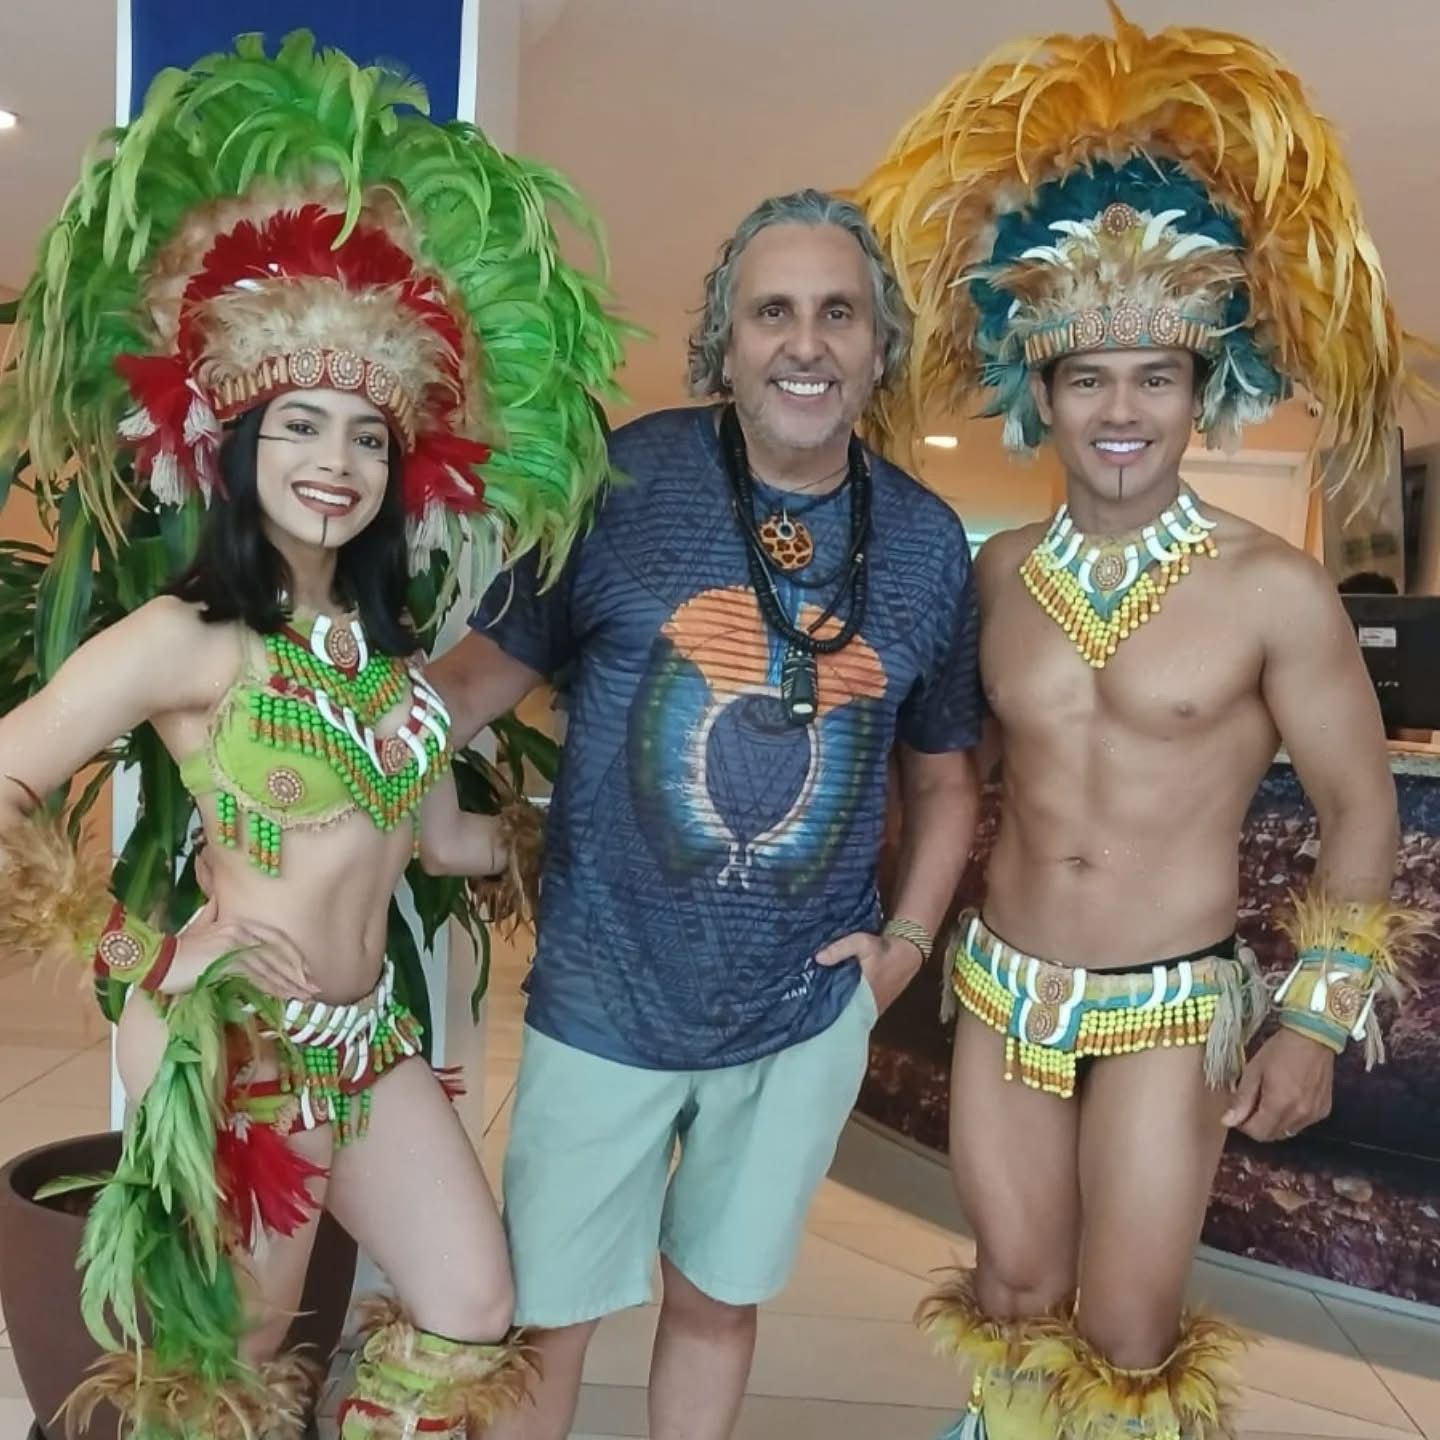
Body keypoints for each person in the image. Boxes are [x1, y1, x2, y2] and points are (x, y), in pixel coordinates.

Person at [0, 32, 622, 1440]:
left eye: (366, 436)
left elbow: (441, 841)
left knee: (468, 1299)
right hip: (241, 1040)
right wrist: (142, 956)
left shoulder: (386, 662)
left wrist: (580, 823)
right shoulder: (187, 637)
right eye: (300, 425)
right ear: (239, 443)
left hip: (364, 1033)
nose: (335, 462)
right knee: (234, 1358)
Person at [856, 9, 1424, 1438]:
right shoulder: (994, 576)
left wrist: (1316, 1018)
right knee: (1011, 1289)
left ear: (1200, 390)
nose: (1122, 409)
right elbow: (938, 775)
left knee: (1123, 1329)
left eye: (1155, 376)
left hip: (1171, 1004)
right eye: (1089, 376)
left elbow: (1360, 809)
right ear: (1039, 392)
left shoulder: (1274, 588)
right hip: (1004, 988)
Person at [427, 189, 984, 1440]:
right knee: (546, 1317)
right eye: (772, 312)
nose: (806, 343)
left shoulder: (927, 542)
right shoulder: (624, 484)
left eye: (838, 313)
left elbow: (947, 778)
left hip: (801, 1008)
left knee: (718, 1304)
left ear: (878, 347)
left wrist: (903, 947)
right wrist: (316, 762)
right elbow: (465, 687)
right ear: (724, 343)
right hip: (604, 992)